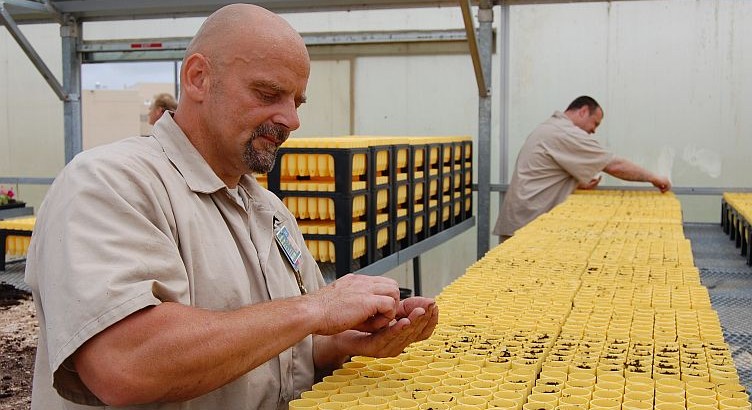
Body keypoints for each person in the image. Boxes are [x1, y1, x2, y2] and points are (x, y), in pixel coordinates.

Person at [25, 4, 438, 409]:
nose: (291, 119)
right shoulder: (110, 183)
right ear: (198, 78)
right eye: (269, 93)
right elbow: (126, 363)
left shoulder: (268, 209)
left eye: (297, 101)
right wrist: (315, 307)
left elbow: (293, 345)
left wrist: (353, 342)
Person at [493, 95, 672, 242]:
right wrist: (654, 178)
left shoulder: (550, 127)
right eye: (595, 123)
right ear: (583, 111)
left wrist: (574, 184)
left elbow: (545, 171)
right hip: (527, 228)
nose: (593, 131)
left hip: (523, 222)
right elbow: (614, 166)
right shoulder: (565, 132)